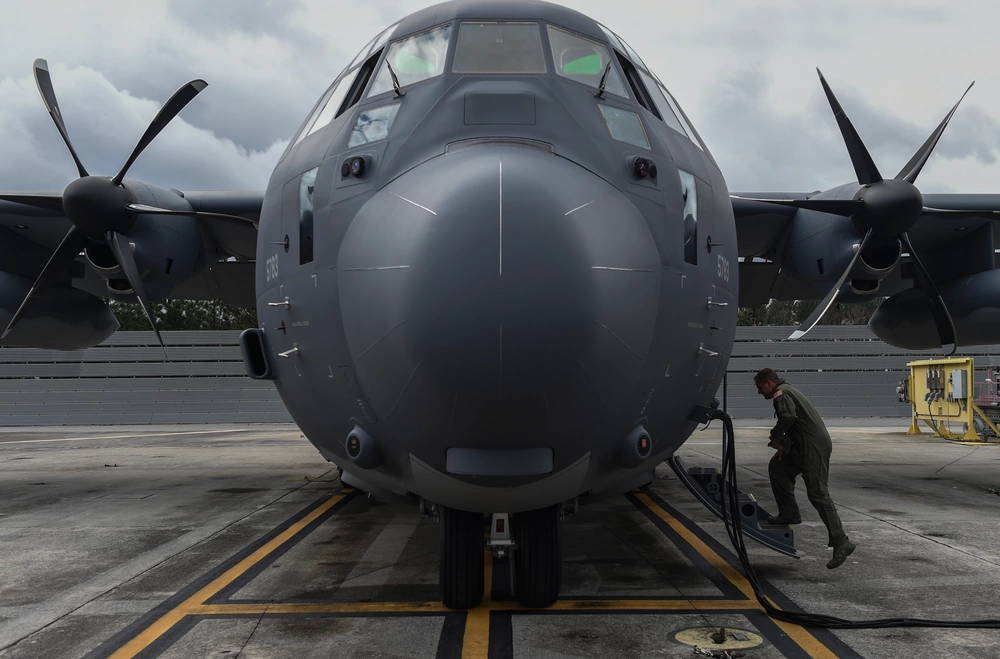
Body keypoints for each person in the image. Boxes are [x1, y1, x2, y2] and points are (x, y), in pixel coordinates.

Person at [754, 368, 856, 569]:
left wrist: (776, 436)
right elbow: (794, 423)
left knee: (818, 493)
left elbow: (789, 418)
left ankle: (841, 541)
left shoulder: (781, 393)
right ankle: (789, 514)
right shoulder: (787, 390)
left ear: (768, 382)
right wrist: (784, 444)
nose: (759, 392)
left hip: (812, 447)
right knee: (778, 468)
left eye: (760, 387)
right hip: (802, 446)